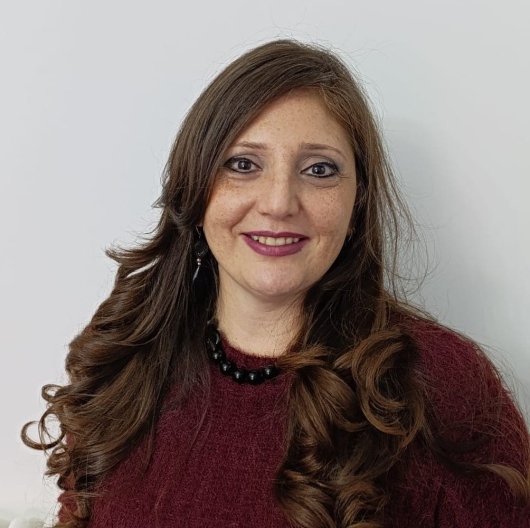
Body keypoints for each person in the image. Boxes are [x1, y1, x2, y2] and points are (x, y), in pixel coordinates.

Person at [23, 39, 529, 528]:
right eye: (243, 165)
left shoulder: (438, 381)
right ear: (196, 189)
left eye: (319, 169)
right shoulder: (126, 358)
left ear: (357, 204)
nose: (279, 202)